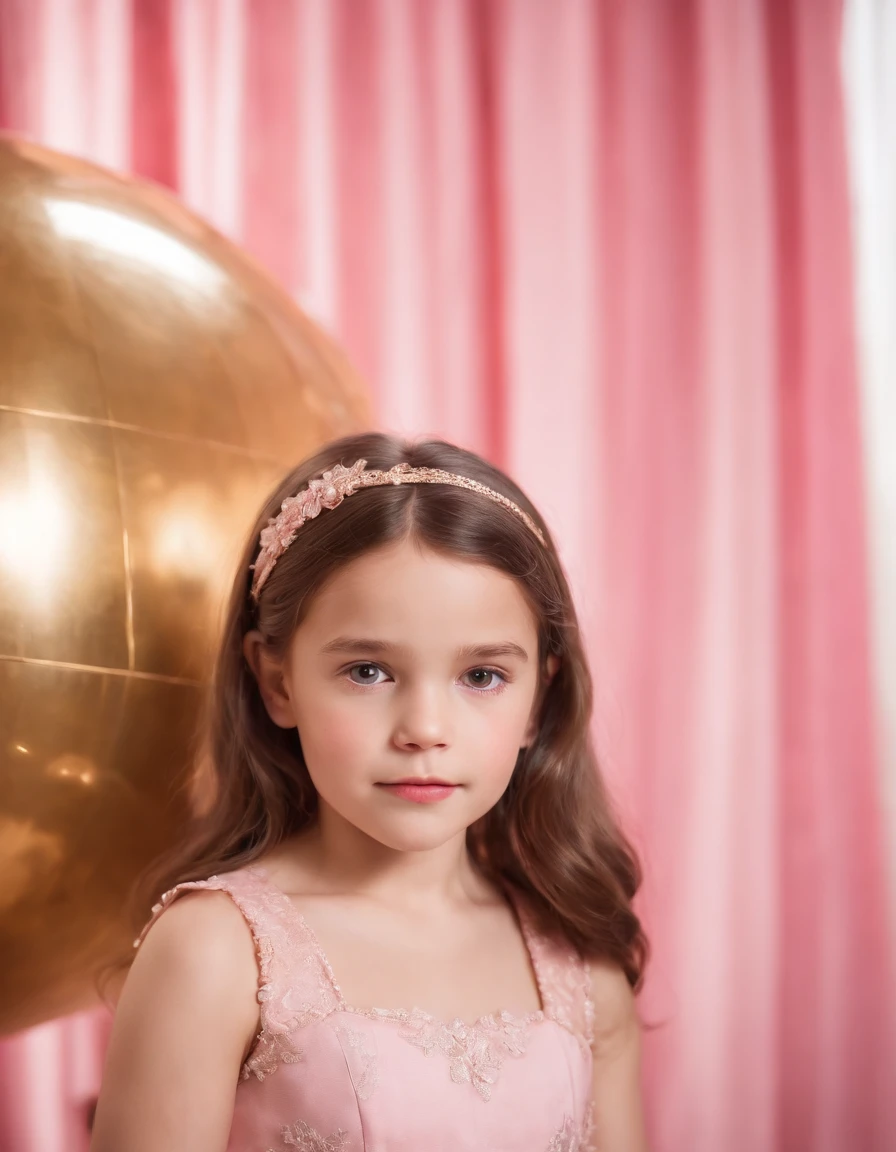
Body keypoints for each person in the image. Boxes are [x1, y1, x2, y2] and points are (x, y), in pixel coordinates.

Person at [90, 431, 650, 1152]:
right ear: (277, 680)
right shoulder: (215, 953)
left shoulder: (580, 965)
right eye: (368, 671)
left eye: (481, 676)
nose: (424, 729)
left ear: (538, 699)